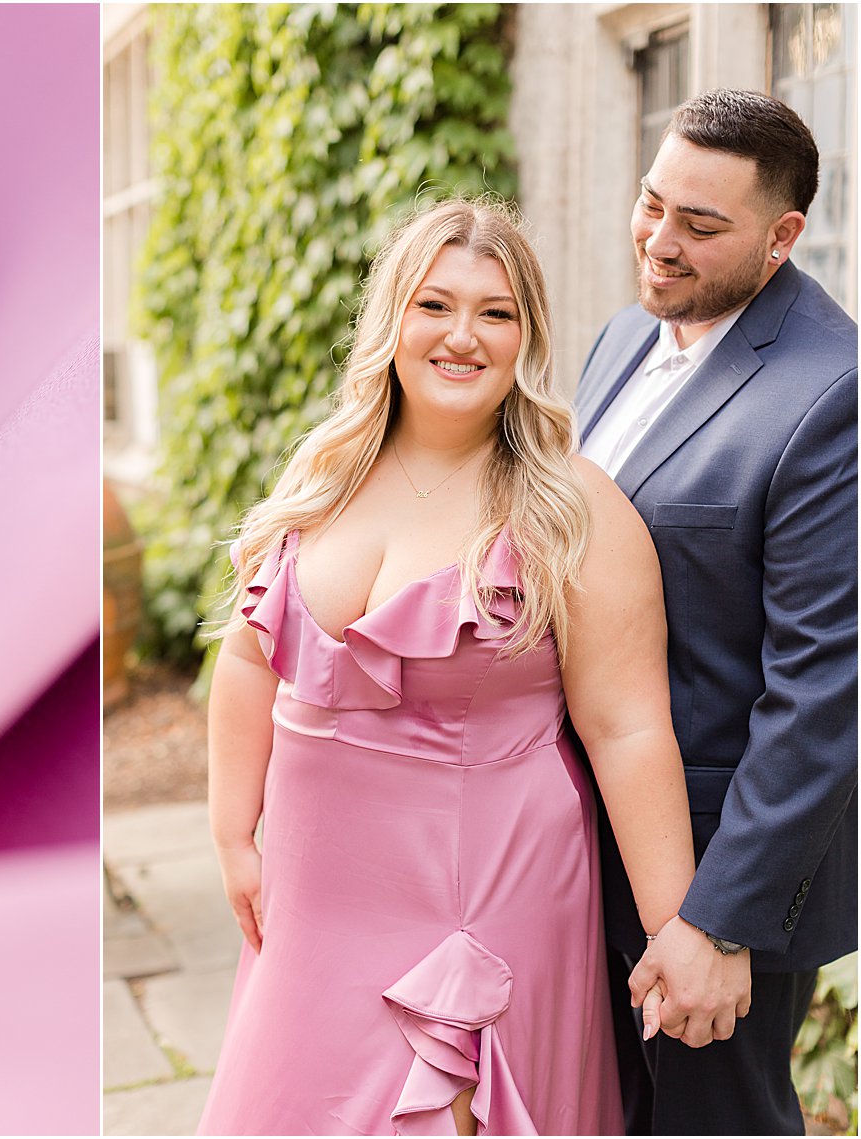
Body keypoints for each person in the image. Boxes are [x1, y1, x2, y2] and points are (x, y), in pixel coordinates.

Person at [197, 197, 697, 1136]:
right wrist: (231, 833)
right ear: (393, 320)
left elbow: (628, 729)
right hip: (314, 890)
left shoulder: (571, 507)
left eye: (495, 312)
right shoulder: (326, 471)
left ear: (526, 337)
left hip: (482, 888)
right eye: (435, 305)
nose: (462, 335)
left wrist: (676, 927)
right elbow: (249, 657)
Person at [577, 88, 858, 1135]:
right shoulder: (620, 337)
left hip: (706, 886)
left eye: (699, 226)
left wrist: (713, 920)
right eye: (651, 203)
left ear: (781, 236)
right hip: (580, 849)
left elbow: (822, 692)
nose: (658, 241)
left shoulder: (832, 392)